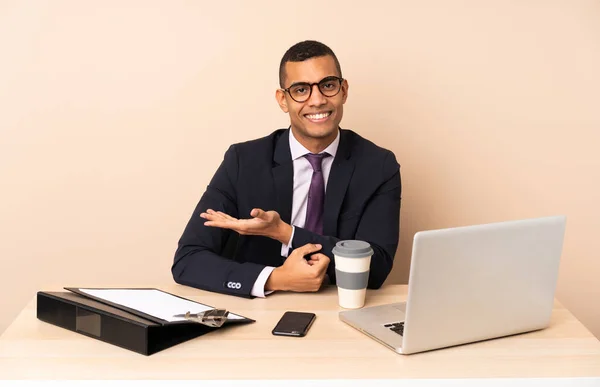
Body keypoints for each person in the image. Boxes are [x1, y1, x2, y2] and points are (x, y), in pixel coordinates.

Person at [172, 40, 401, 298]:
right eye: (301, 89)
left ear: (344, 90)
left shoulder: (378, 165)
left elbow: (377, 266)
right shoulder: (243, 161)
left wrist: (285, 233)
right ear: (283, 100)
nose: (317, 100)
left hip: (340, 308)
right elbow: (187, 261)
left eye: (328, 85)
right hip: (259, 312)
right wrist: (275, 279)